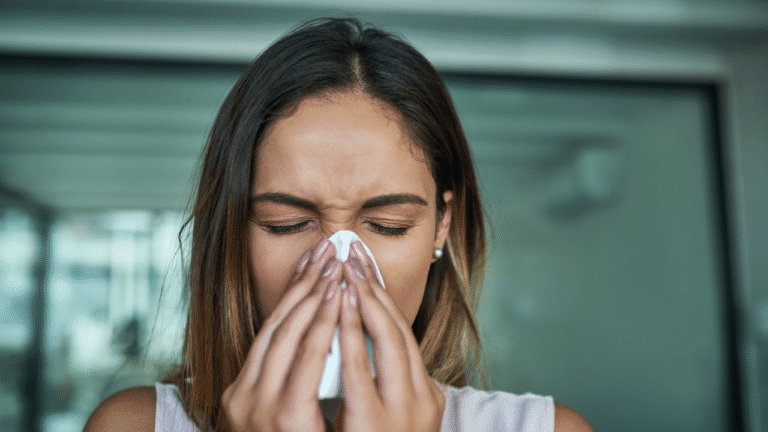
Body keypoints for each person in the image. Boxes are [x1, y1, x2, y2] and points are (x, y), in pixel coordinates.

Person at [84, 17, 593, 432]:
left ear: (441, 227)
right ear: (234, 232)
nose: (342, 267)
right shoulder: (134, 424)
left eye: (389, 225)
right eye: (284, 223)